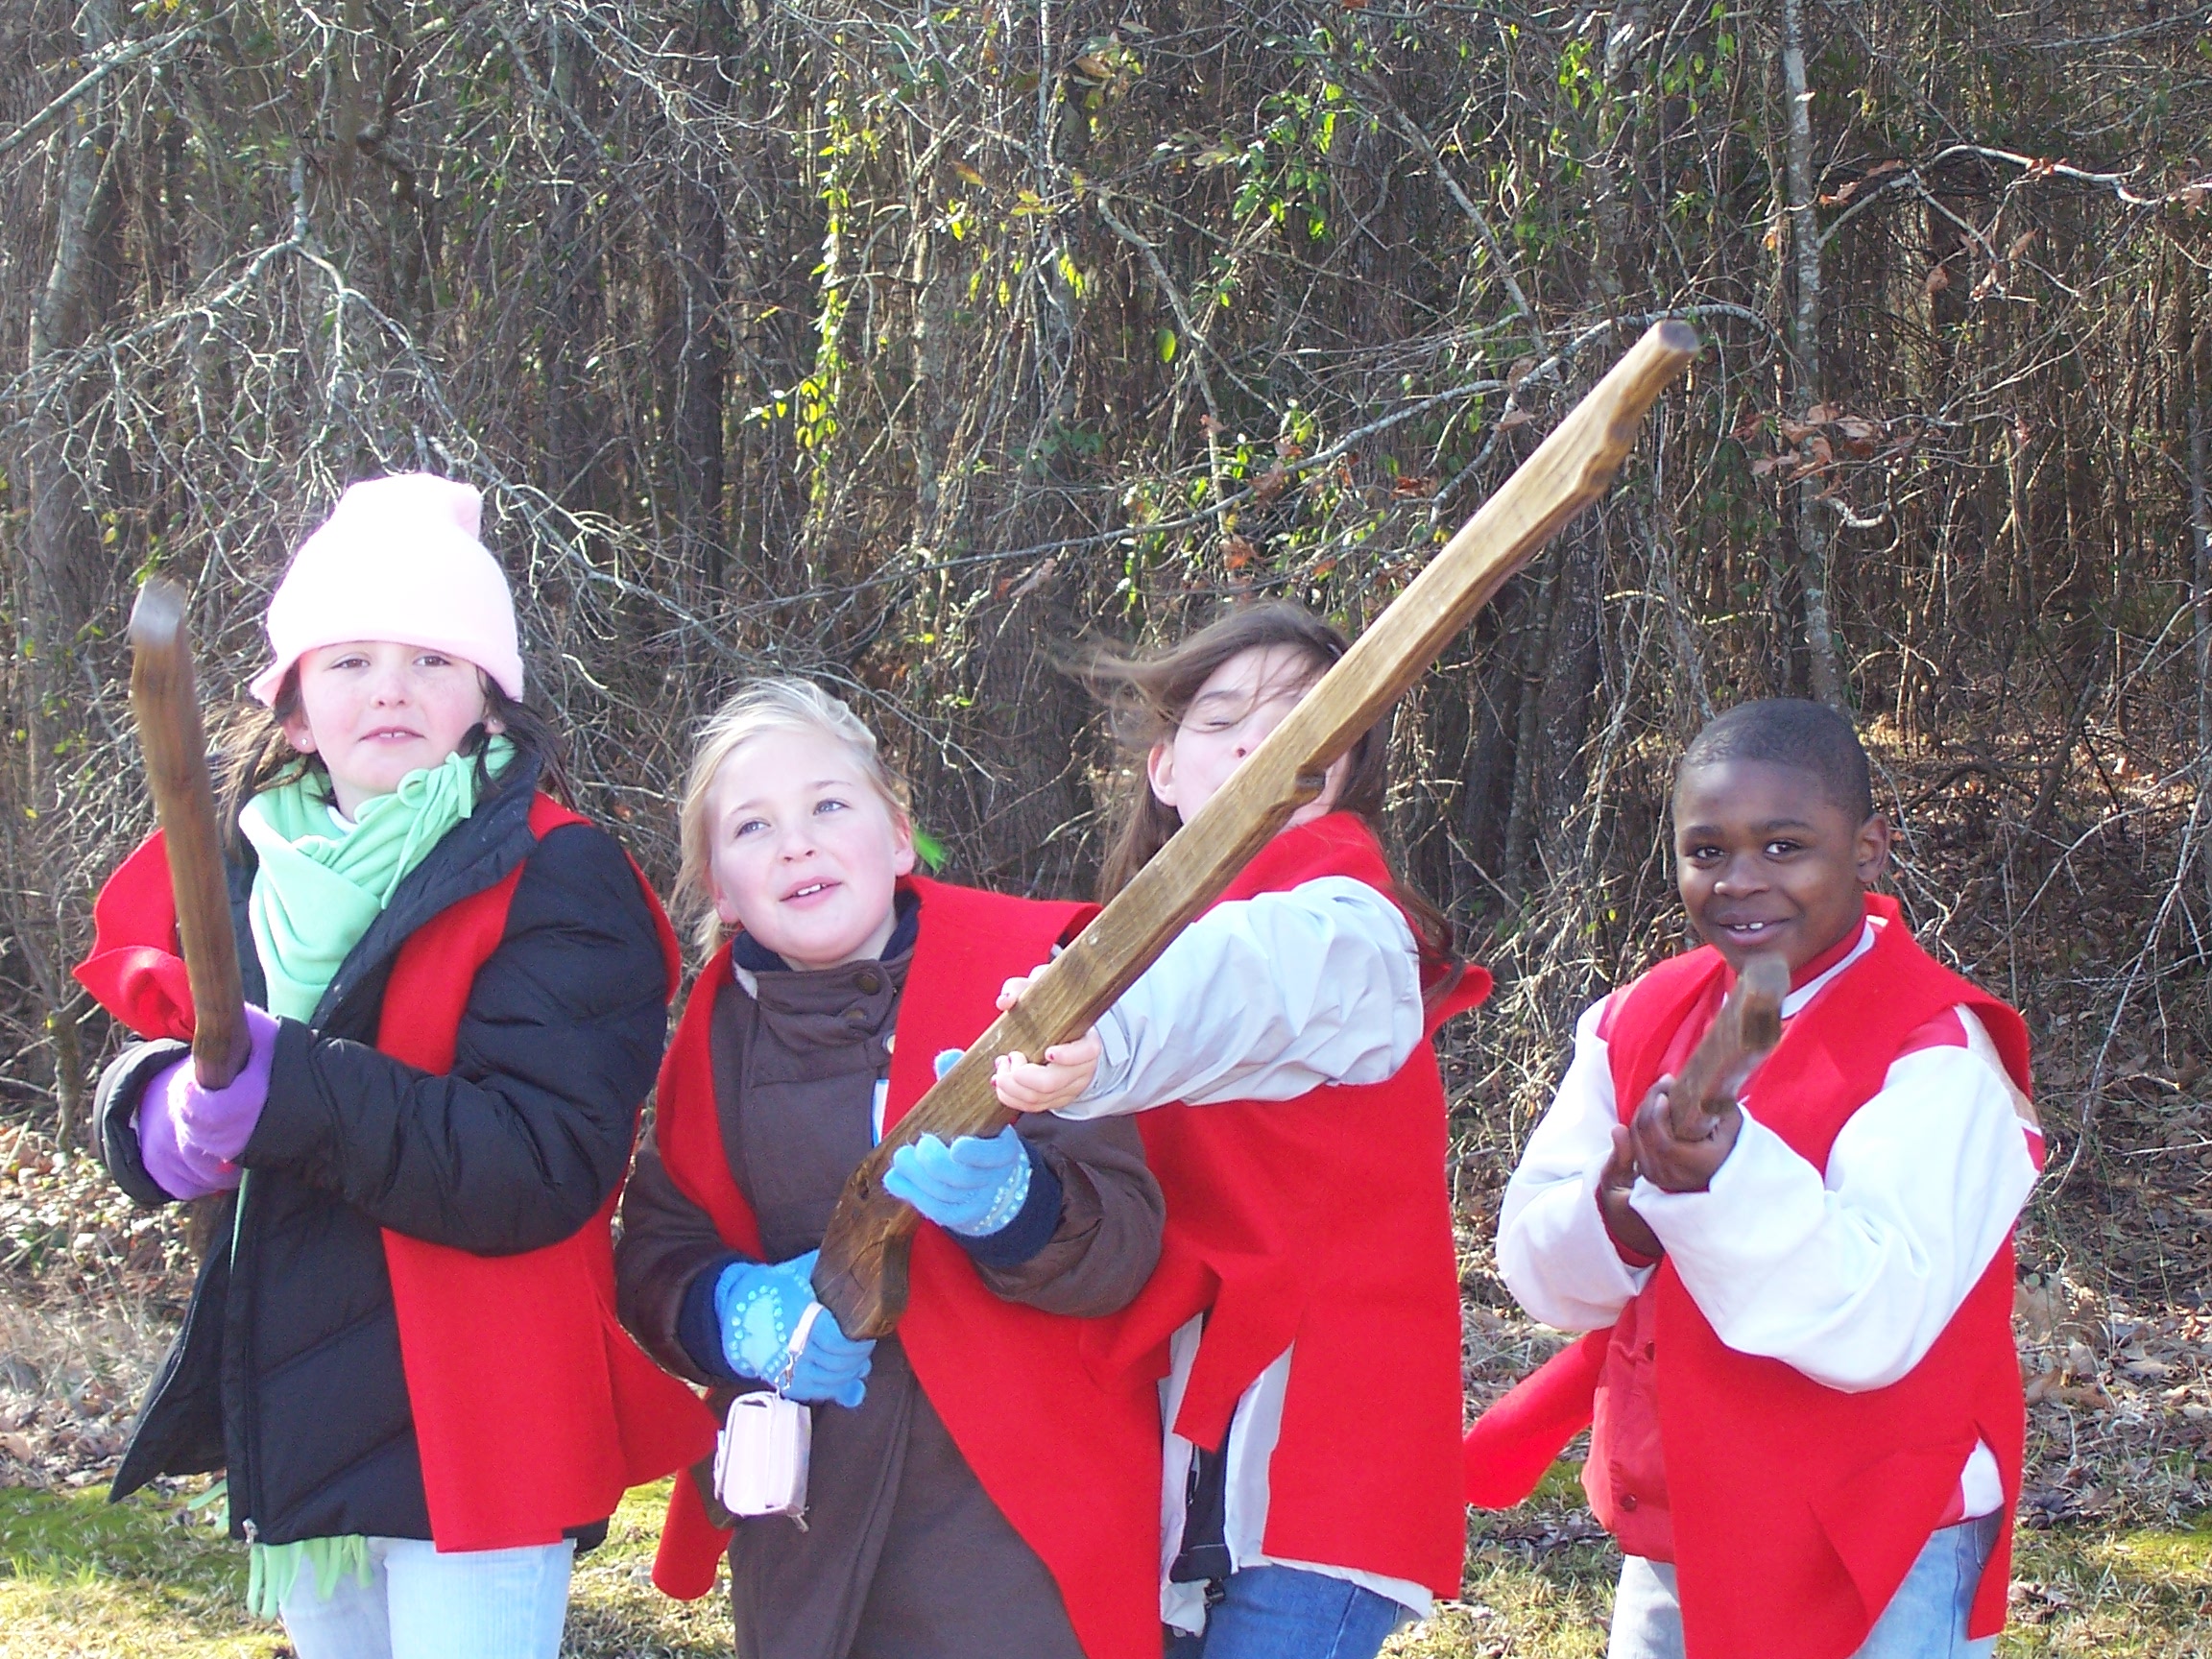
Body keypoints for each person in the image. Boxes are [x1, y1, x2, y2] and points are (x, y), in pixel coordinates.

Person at [74, 474, 710, 1659]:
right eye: (351, 659)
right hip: (301, 1390)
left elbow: (541, 1159)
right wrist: (154, 1118)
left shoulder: (558, 877)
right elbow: (160, 1050)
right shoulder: (239, 873)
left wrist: (290, 1088)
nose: (391, 689)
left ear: (487, 701)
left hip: (479, 1409)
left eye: (432, 659)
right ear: (299, 709)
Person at [1475, 698, 2043, 1659]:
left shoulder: (1940, 1053)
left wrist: (1721, 1179)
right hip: (1685, 1526)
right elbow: (1538, 1269)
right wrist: (1620, 1213)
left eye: (1784, 848)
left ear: (1868, 850)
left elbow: (1874, 1322)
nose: (1741, 882)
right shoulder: (1636, 1018)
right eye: (1708, 851)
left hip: (1881, 1540)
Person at [613, 677, 1166, 1659]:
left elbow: (1128, 1242)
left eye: (829, 805)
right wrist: (737, 1315)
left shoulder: (1037, 976)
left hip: (1021, 1526)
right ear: (720, 890)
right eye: (752, 828)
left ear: (899, 835)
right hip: (812, 1534)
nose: (797, 843)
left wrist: (1020, 1207)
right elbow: (659, 1253)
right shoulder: (712, 1040)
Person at [994, 601, 1490, 1659]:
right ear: (1165, 769)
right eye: (1226, 719)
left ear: (1343, 768)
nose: (1265, 743)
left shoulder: (1346, 925)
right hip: (1185, 1464)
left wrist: (1103, 1030)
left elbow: (1246, 979)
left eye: (1304, 718)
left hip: (1311, 1480)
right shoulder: (1136, 935)